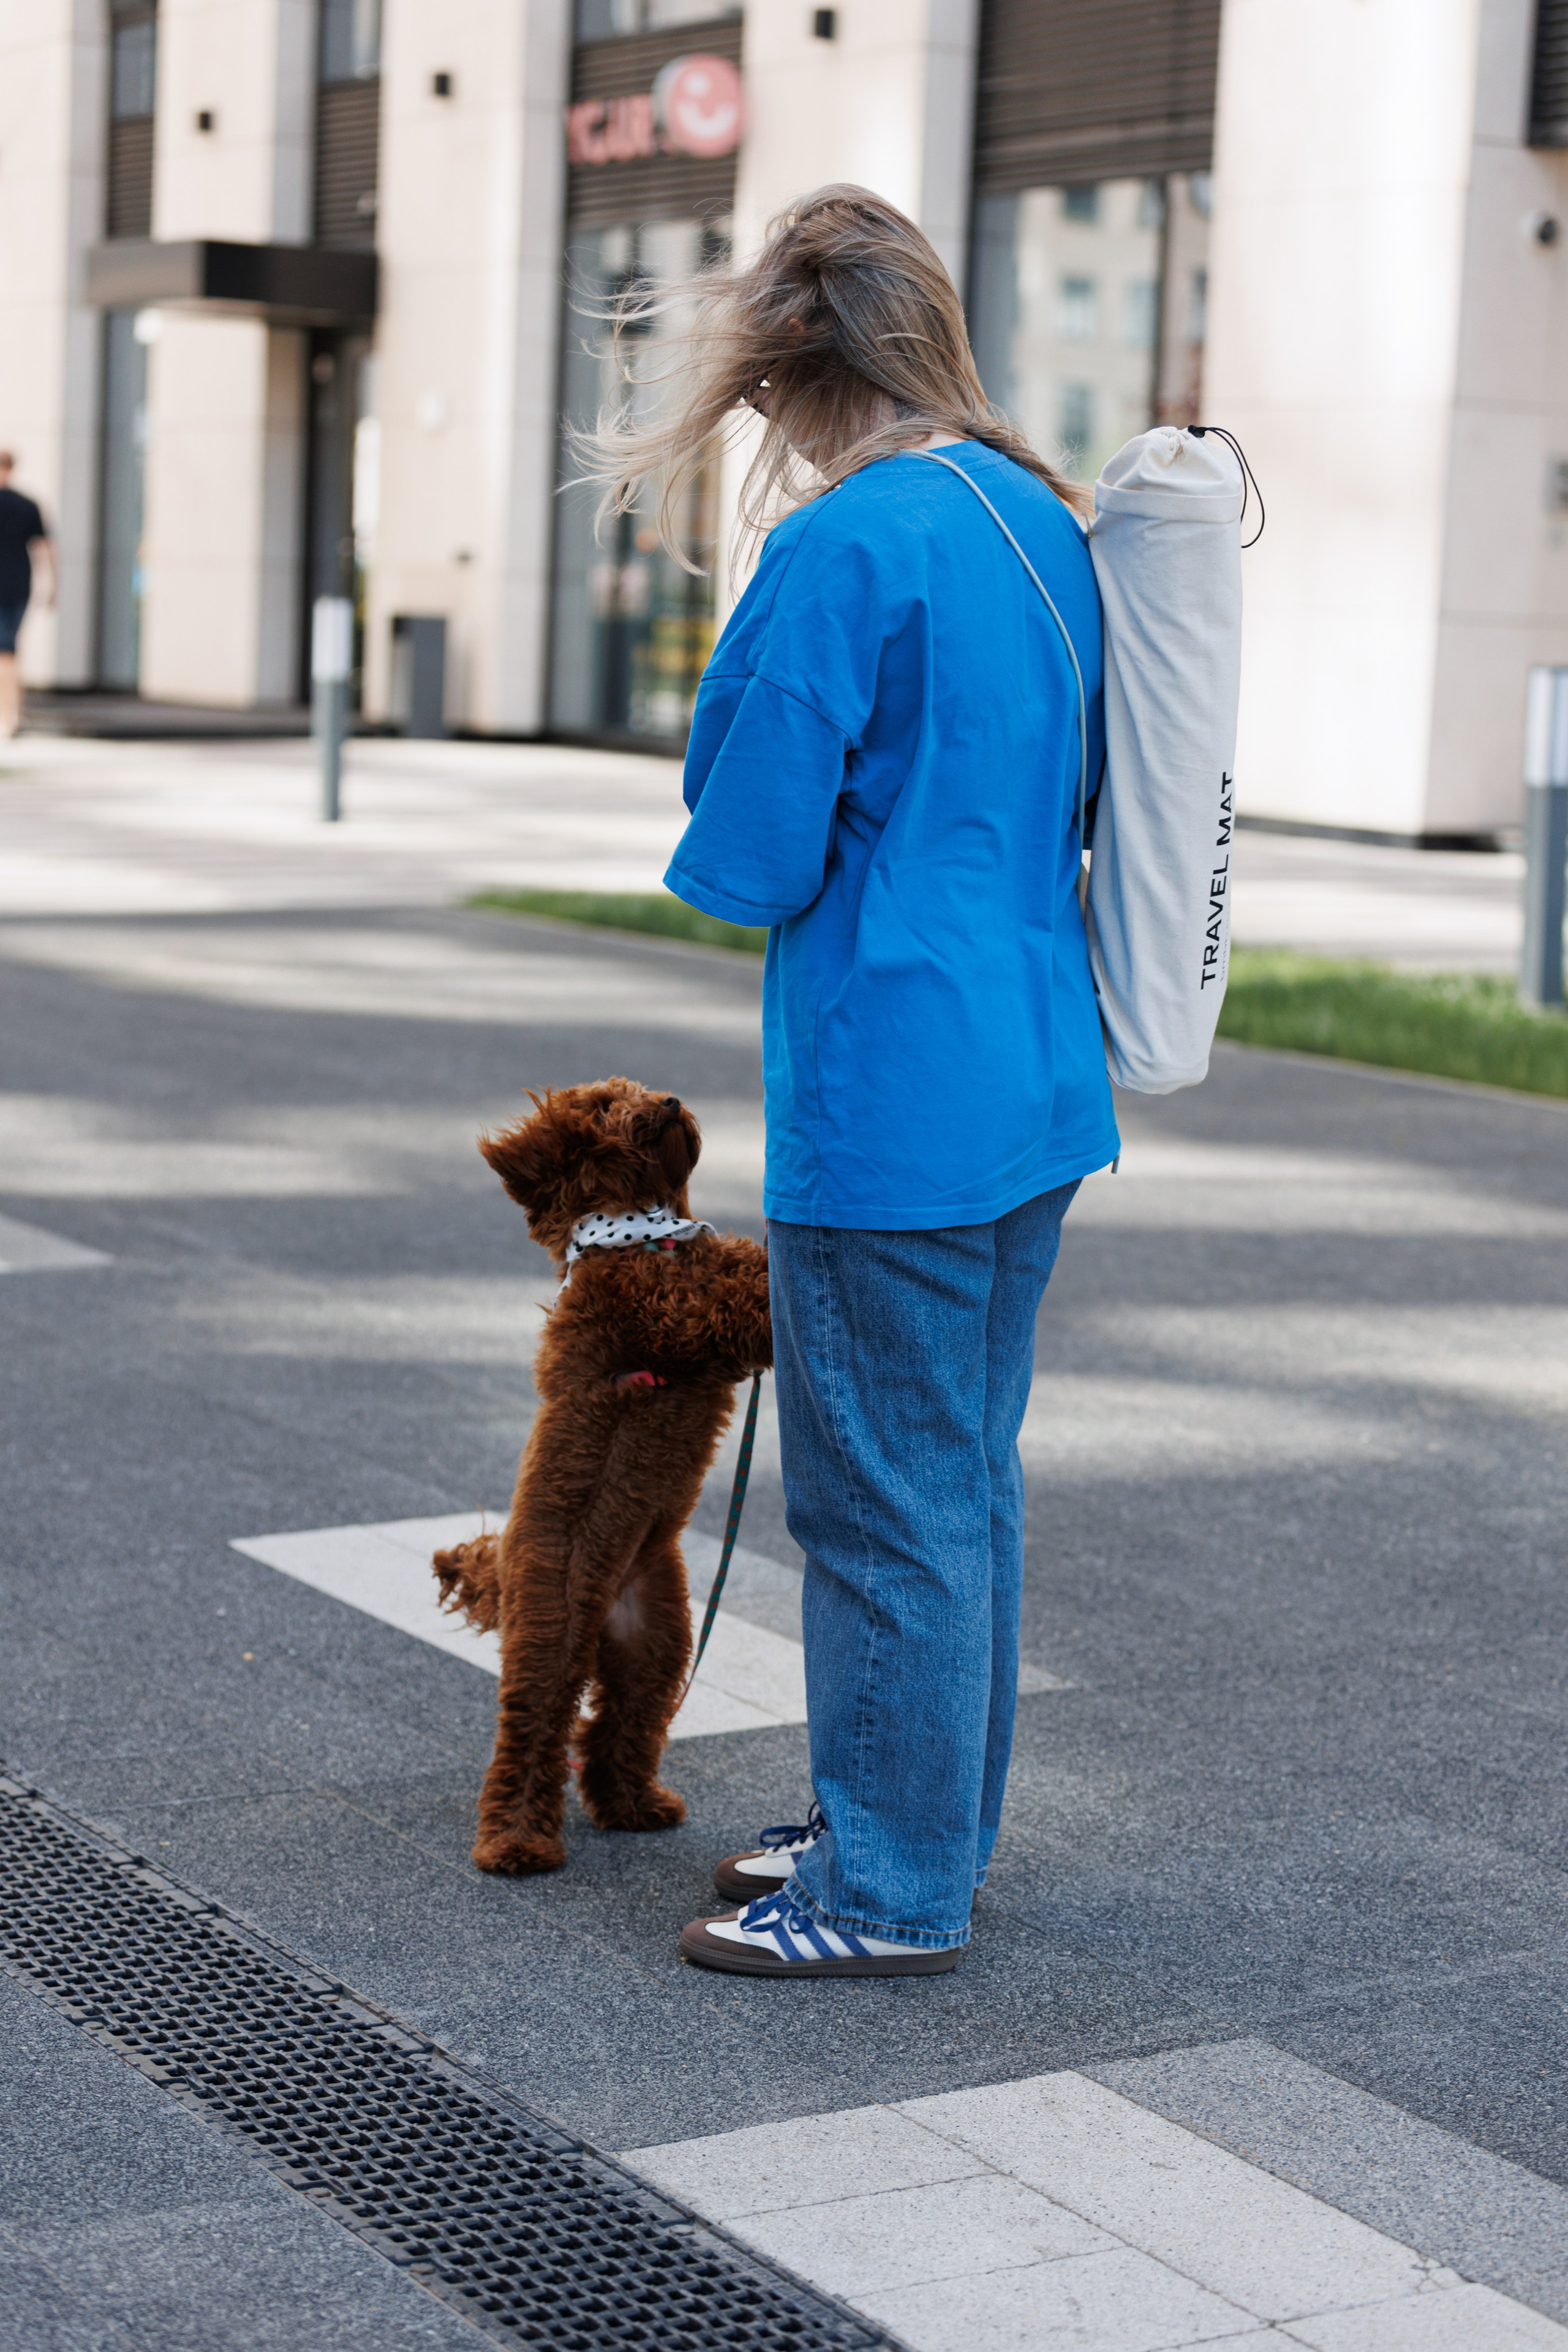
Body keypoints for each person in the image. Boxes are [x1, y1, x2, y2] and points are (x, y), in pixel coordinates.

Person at [582, 184, 1120, 1978]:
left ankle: (886, 1888)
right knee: (958, 1476)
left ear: (793, 371)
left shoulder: (842, 545)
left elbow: (746, 847)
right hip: (1031, 1067)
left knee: (881, 1499)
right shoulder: (1037, 517)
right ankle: (914, 1823)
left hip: (889, 1088)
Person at [0, 451, 54, 740]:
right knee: (9, 650)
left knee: (5, 651)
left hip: (11, 586)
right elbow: (46, 549)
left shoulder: (27, 505)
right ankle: (12, 714)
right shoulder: (28, 505)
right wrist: (52, 585)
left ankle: (9, 715)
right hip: (21, 585)